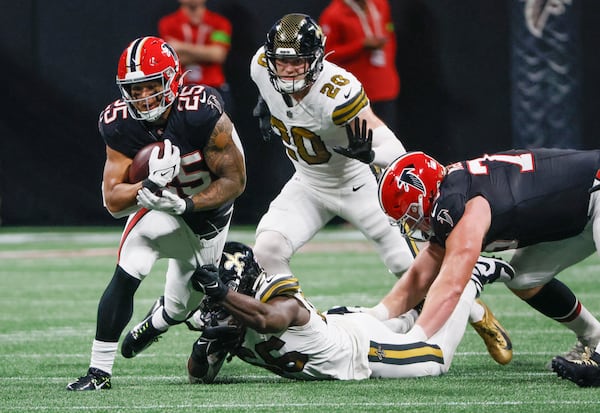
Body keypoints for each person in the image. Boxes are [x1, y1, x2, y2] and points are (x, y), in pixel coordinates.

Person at [249, 13, 512, 366]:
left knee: (409, 266)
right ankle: (307, 326)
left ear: (316, 60)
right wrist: (269, 106)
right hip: (308, 183)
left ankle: (477, 313)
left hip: (356, 183)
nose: (288, 70)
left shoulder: (337, 91)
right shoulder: (261, 67)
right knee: (266, 249)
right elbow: (275, 93)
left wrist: (370, 153)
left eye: (298, 62)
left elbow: (394, 149)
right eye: (282, 62)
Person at [66, 36, 246, 391]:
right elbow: (114, 201)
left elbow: (235, 180)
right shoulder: (120, 123)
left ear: (173, 80)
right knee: (129, 265)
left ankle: (158, 320)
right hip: (159, 209)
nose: (143, 97)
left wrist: (189, 204)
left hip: (206, 218)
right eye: (133, 89)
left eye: (151, 85)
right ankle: (99, 371)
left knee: (181, 307)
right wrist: (146, 185)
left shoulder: (201, 111)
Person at [373, 148, 600, 387]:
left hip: (595, 185)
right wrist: (377, 314)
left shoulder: (461, 205)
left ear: (423, 196)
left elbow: (451, 286)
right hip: (581, 209)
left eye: (408, 214)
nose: (408, 223)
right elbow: (420, 276)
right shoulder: (451, 197)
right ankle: (591, 335)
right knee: (524, 278)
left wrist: (415, 340)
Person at [183, 241, 505, 382]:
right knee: (409, 317)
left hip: (359, 350)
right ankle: (439, 302)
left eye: (224, 301)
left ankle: (471, 281)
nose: (217, 312)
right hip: (338, 325)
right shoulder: (228, 313)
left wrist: (222, 294)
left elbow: (268, 320)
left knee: (433, 359)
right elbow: (201, 376)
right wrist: (201, 352)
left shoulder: (277, 301)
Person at [319, 0, 400, 134]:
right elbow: (327, 54)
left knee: (388, 140)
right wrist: (360, 46)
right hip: (355, 95)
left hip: (385, 87)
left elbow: (389, 31)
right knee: (361, 144)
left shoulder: (380, 4)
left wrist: (388, 71)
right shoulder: (334, 14)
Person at [158, 0, 233, 111]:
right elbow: (171, 59)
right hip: (180, 90)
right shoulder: (167, 23)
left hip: (214, 88)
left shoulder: (220, 23)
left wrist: (180, 46)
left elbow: (218, 55)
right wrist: (207, 53)